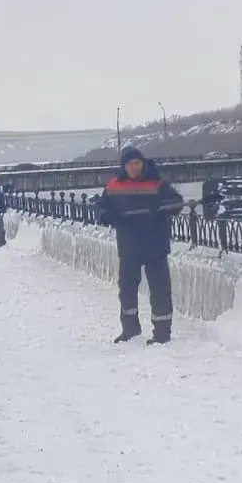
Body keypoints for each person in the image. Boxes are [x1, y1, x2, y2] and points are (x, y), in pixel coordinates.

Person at [94, 145, 184, 344]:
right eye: (130, 164)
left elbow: (176, 202)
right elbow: (100, 207)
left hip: (155, 244)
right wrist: (106, 215)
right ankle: (130, 329)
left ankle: (162, 333)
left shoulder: (158, 183)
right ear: (124, 167)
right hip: (129, 245)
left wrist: (165, 206)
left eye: (138, 162)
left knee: (160, 290)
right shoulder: (113, 186)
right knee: (127, 289)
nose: (135, 167)